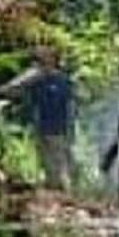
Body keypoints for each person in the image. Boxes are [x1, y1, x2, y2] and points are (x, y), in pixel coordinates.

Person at [23, 45, 76, 191]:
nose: (42, 63)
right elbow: (33, 105)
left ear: (53, 61)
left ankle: (66, 193)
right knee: (47, 164)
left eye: (45, 59)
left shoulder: (62, 80)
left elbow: (70, 105)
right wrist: (34, 125)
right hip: (42, 128)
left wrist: (70, 128)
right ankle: (54, 191)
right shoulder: (36, 82)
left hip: (59, 129)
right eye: (40, 60)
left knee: (61, 163)